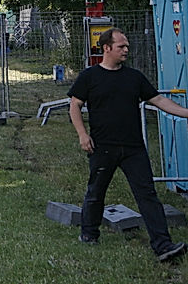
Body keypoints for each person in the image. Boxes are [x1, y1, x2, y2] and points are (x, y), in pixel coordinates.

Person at [68, 28, 188, 262]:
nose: (126, 50)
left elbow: (159, 100)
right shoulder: (90, 77)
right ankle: (89, 234)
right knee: (96, 193)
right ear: (107, 48)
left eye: (126, 46)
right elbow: (74, 105)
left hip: (133, 148)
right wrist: (83, 135)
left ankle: (163, 245)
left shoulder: (134, 77)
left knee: (148, 195)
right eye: (121, 46)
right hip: (102, 147)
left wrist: (186, 113)